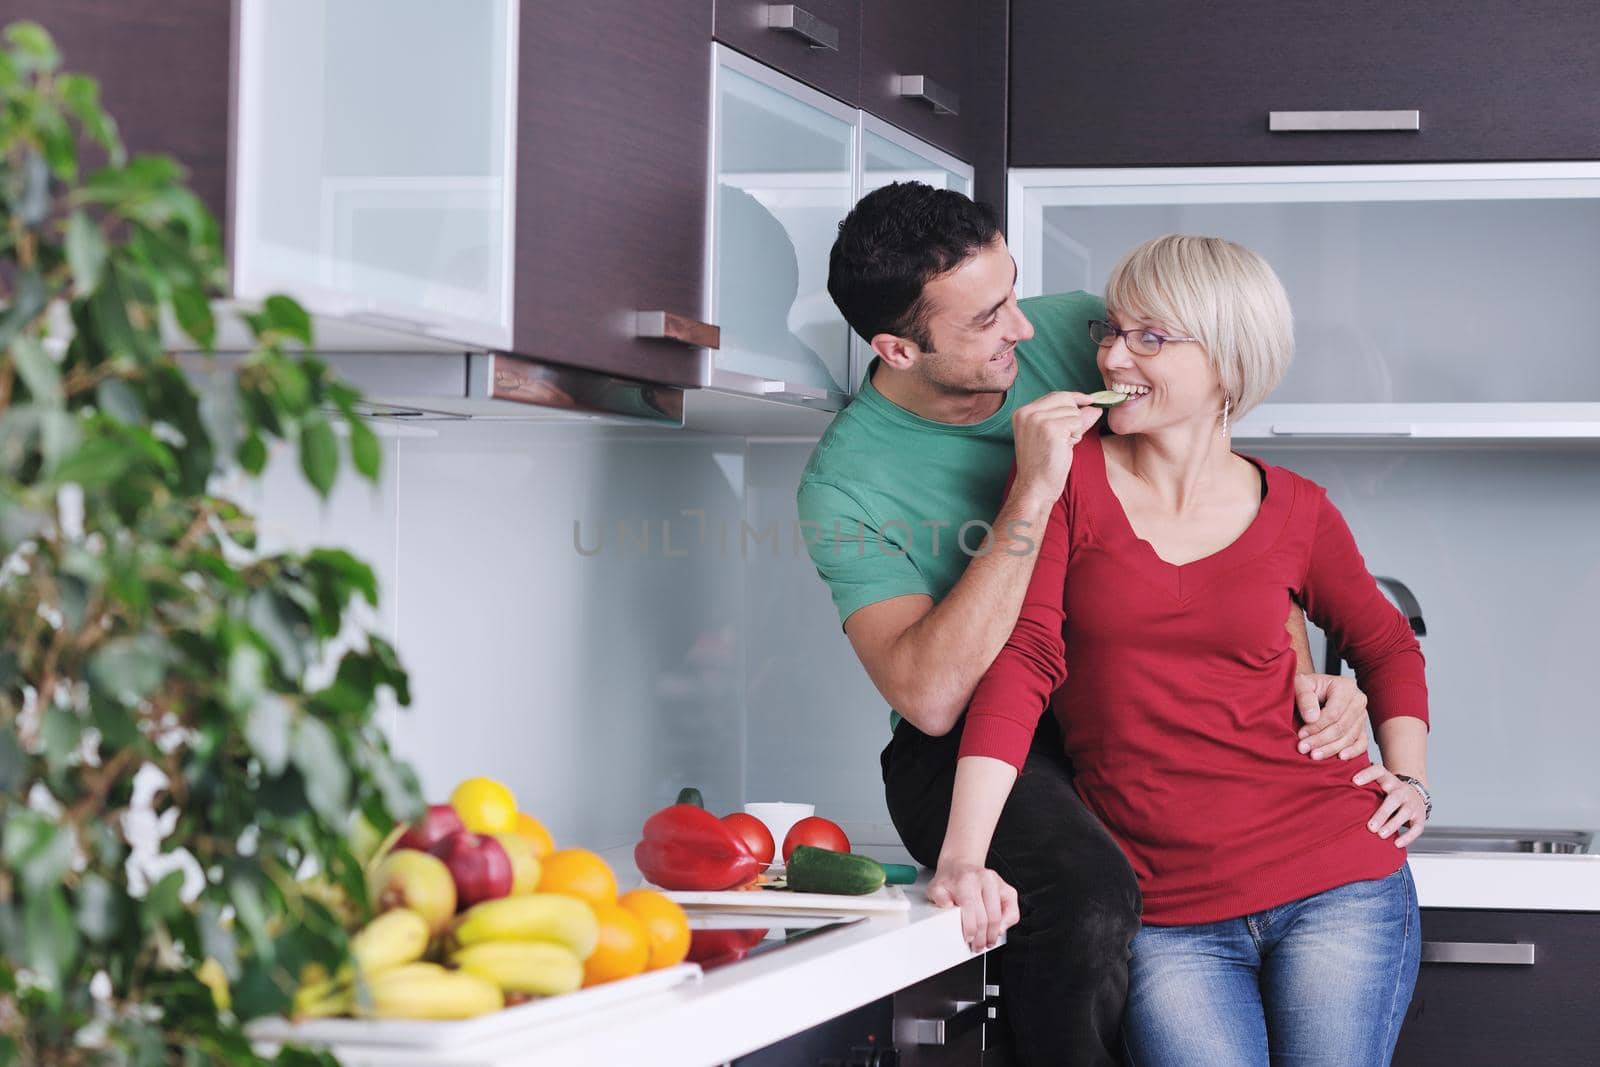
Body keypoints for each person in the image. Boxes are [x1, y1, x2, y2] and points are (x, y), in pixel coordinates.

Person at [797, 182, 1376, 1066]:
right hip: (971, 732)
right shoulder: (844, 484)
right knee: (1090, 898)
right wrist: (1032, 488)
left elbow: (1214, 485)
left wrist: (1292, 667)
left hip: (1118, 691)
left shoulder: (1073, 329)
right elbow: (932, 696)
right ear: (896, 348)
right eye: (988, 318)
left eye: (1014, 292)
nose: (1027, 332)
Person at [947, 234, 1430, 1066]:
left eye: (1151, 337)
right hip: (1166, 913)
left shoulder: (1300, 510)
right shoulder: (1066, 482)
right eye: (1112, 329)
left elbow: (1386, 644)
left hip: (1338, 880)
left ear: (1228, 364)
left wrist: (1409, 774)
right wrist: (963, 855)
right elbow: (1023, 664)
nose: (1112, 353)